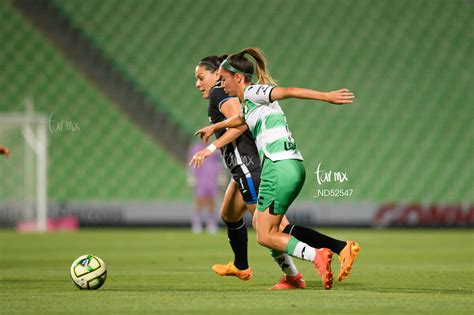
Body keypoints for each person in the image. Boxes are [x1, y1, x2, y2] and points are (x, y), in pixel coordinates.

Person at [192, 52, 360, 289]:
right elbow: (240, 119)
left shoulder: (248, 92)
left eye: (218, 77)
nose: (218, 83)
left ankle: (318, 256)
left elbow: (287, 91)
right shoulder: (248, 102)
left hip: (267, 166)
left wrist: (327, 96)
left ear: (237, 78)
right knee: (242, 219)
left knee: (269, 232)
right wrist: (214, 128)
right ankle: (258, 267)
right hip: (284, 165)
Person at [187, 140, 222, 234]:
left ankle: (211, 223)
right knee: (199, 200)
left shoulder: (214, 148)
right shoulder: (196, 148)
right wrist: (192, 176)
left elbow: (219, 163)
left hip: (212, 177)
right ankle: (197, 222)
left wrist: (220, 175)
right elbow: (191, 162)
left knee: (212, 201)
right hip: (200, 177)